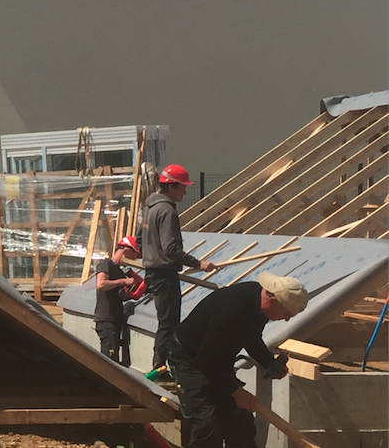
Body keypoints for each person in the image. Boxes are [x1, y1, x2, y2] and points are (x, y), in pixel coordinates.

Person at [167, 272, 308, 448]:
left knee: (241, 422)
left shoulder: (261, 306)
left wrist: (269, 363)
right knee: (206, 423)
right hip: (189, 358)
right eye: (286, 313)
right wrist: (236, 392)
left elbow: (251, 338)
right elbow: (205, 361)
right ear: (272, 302)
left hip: (216, 362)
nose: (286, 319)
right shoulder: (233, 308)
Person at [140, 164, 217, 373]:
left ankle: (162, 365)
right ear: (172, 187)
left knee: (165, 321)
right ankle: (160, 367)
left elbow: (140, 239)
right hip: (164, 275)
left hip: (153, 273)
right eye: (183, 187)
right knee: (169, 323)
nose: (185, 191)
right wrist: (198, 264)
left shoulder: (150, 208)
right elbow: (170, 248)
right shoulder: (166, 210)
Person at [94, 236, 145, 364]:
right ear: (125, 250)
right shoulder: (106, 264)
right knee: (109, 362)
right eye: (133, 256)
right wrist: (123, 281)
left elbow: (123, 296)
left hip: (115, 321)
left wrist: (140, 288)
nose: (133, 260)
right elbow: (101, 285)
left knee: (114, 361)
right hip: (106, 320)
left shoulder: (120, 272)